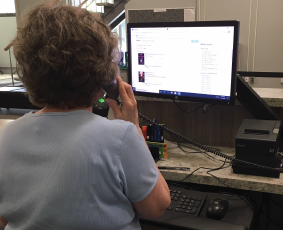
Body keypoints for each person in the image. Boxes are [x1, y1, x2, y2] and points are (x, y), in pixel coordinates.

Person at [0, 3, 170, 230]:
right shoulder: (121, 136)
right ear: (103, 75)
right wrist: (135, 129)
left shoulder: (7, 136)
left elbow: (5, 218)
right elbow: (156, 207)